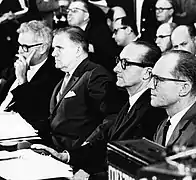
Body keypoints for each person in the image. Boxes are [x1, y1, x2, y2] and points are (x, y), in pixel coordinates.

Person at [31, 40, 167, 179]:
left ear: (147, 73)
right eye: (118, 61)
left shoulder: (151, 112)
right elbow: (103, 145)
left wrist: (91, 176)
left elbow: (131, 168)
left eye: (125, 63)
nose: (116, 69)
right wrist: (65, 156)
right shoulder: (131, 102)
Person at [0, 20, 63, 144]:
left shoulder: (53, 76)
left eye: (25, 47)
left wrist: (22, 80)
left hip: (23, 137)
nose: (20, 51)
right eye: (19, 45)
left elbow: (34, 113)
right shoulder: (12, 67)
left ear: (42, 48)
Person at [149, 50, 196, 148]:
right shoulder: (164, 124)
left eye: (159, 79)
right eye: (152, 77)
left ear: (184, 88)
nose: (150, 85)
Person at [66, 0, 121, 72]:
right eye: (68, 11)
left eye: (74, 11)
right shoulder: (66, 32)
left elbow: (108, 57)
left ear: (86, 16)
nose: (69, 14)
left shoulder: (100, 31)